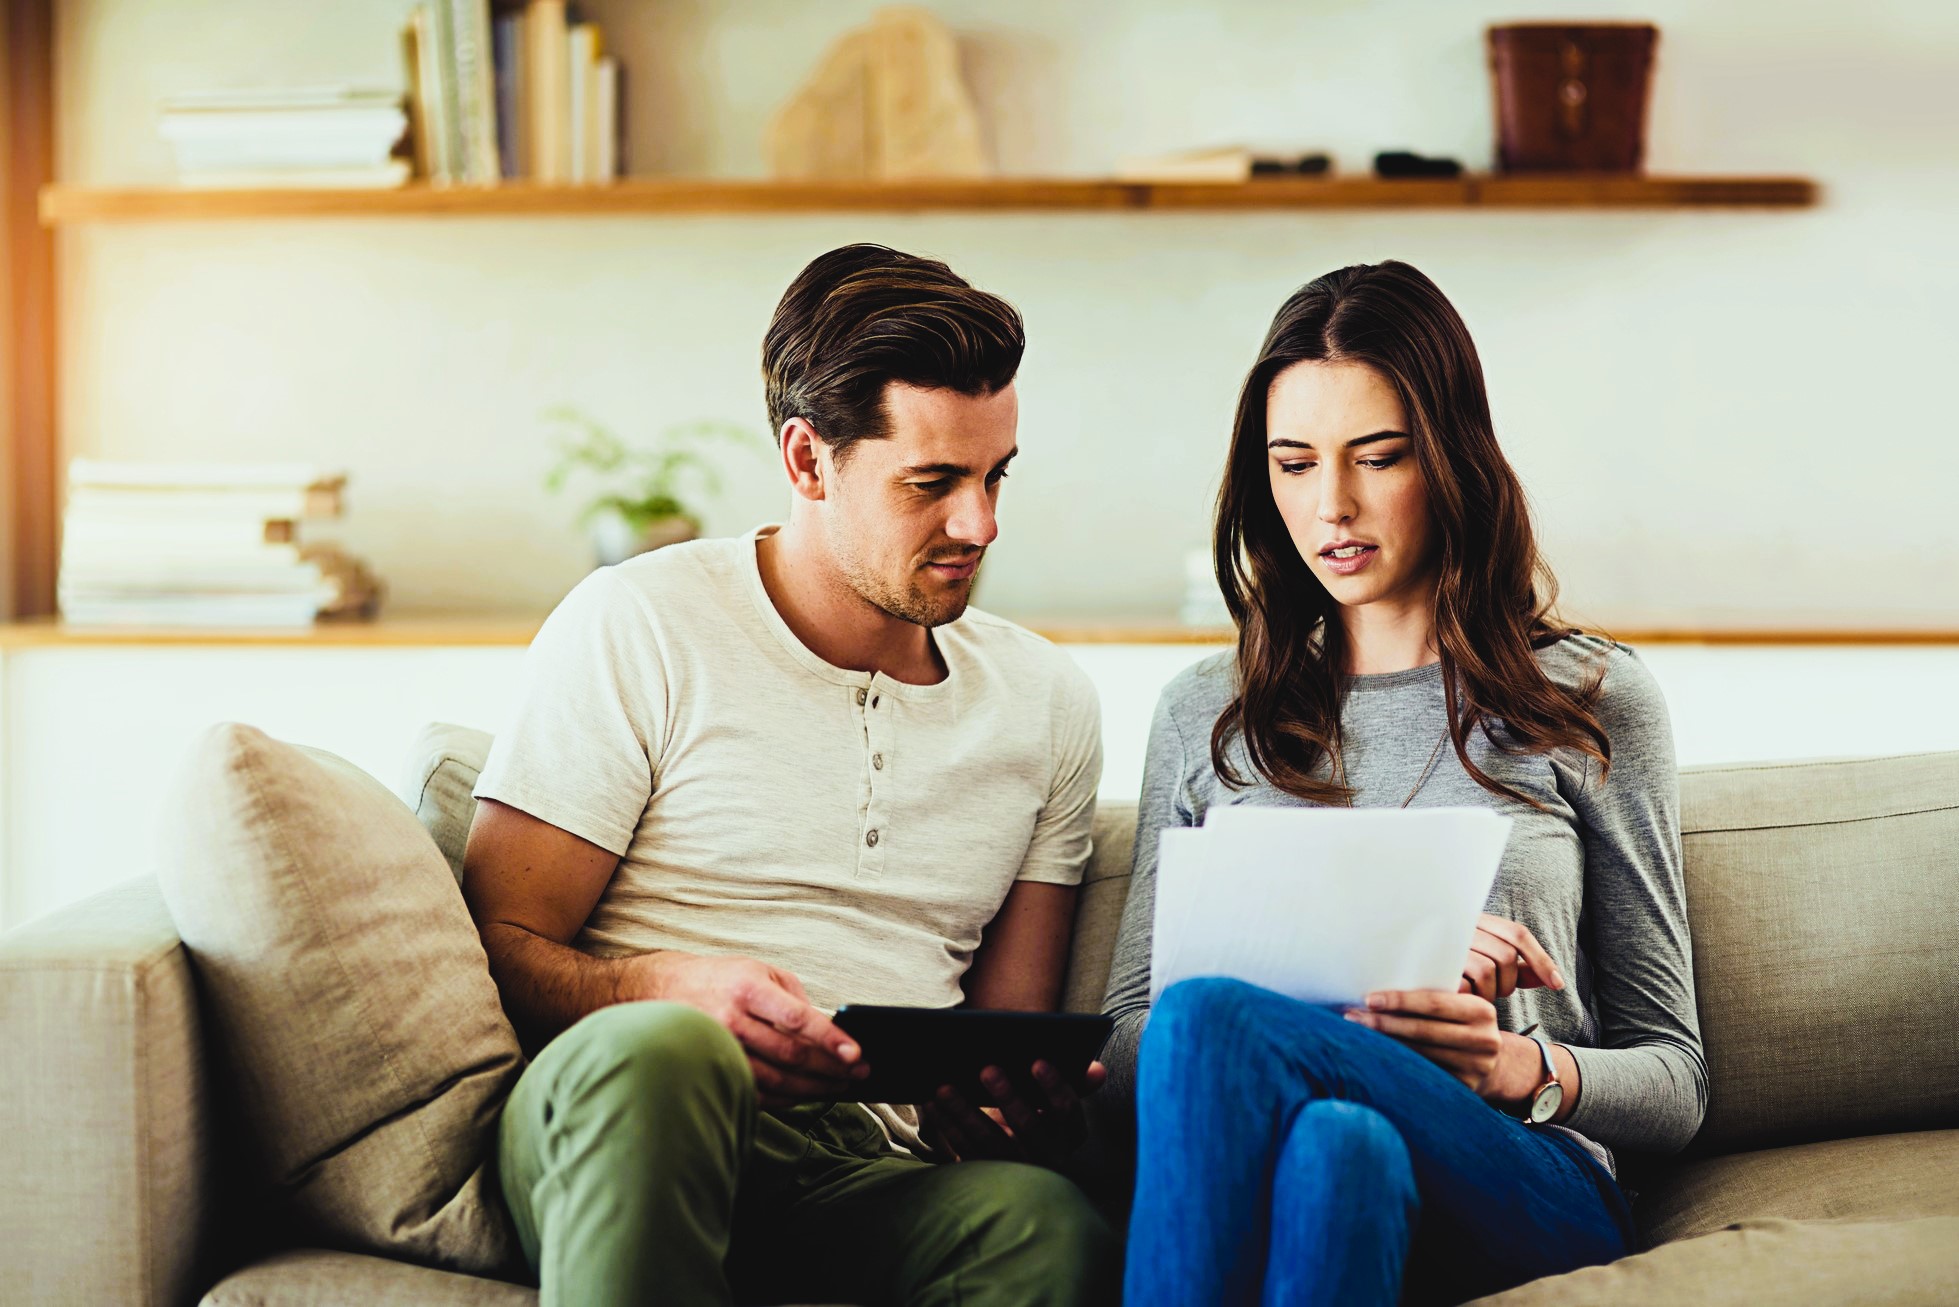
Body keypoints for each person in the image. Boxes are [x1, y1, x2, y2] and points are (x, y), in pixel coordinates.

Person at [463, 244, 1117, 1307]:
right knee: (669, 1056)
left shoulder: (1046, 700)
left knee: (1043, 1223)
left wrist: (1000, 1103)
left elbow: (1001, 1033)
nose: (980, 525)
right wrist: (650, 987)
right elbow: (495, 943)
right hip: (630, 1122)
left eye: (995, 475)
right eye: (932, 483)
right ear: (808, 460)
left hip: (863, 1171)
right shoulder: (641, 622)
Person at [1099, 261, 1706, 1306]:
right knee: (1340, 1148)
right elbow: (1123, 1049)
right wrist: (1364, 960)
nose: (1331, 504)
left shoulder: (1592, 698)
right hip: (1310, 1152)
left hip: (1522, 1176)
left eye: (1377, 457)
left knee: (1209, 1017)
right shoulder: (1205, 710)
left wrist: (1521, 1069)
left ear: (1451, 457)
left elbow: (1676, 1077)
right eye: (1293, 464)